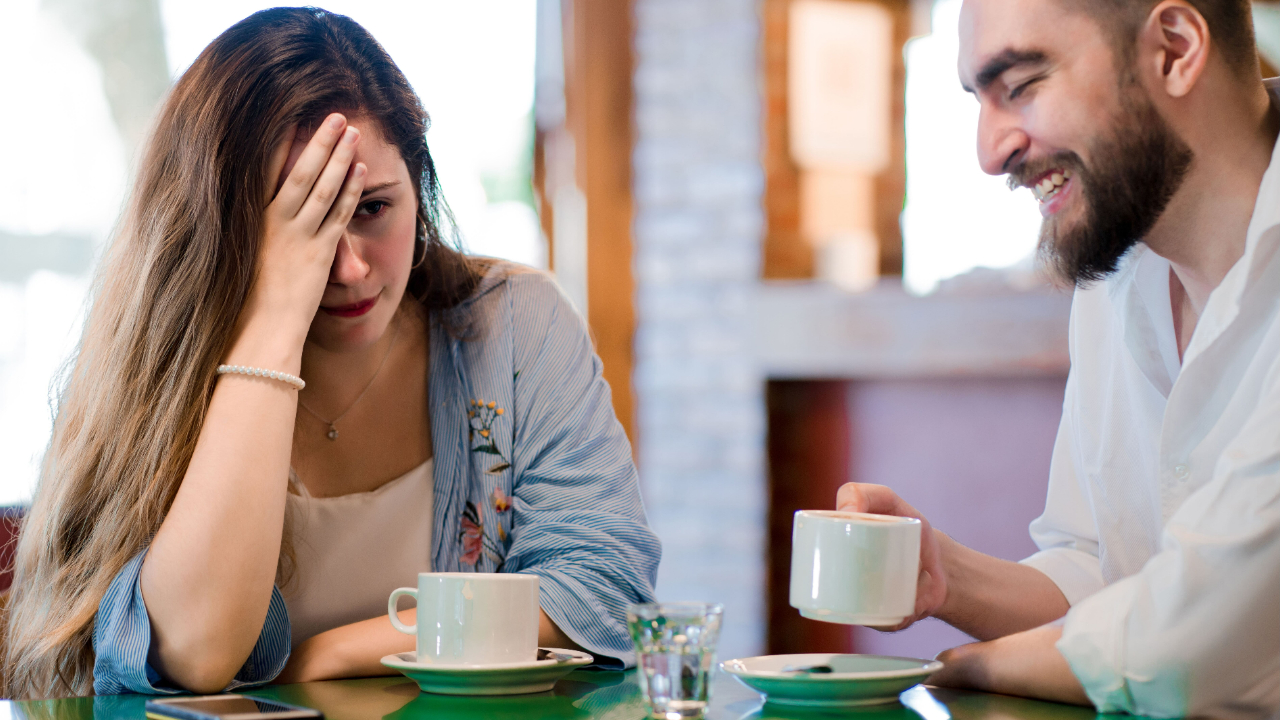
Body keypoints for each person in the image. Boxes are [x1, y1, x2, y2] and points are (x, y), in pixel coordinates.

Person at [0, 7, 660, 700]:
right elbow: (194, 654)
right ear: (221, 226)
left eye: (372, 207)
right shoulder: (156, 365)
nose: (346, 269)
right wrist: (276, 312)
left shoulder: (515, 324)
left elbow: (604, 585)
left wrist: (331, 652)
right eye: (299, 220)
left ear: (422, 189)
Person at [836, 0, 1279, 716]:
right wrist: (946, 577)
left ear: (1173, 49)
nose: (989, 153)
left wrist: (961, 669)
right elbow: (1107, 580)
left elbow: (1183, 640)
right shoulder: (1115, 278)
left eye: (1021, 85)